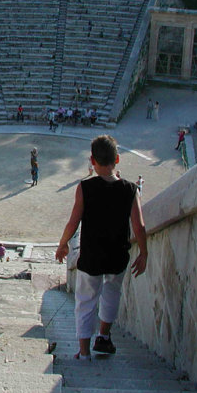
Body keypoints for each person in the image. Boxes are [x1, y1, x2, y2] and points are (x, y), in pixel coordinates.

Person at [55, 135, 148, 361]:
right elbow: (139, 225)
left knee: (85, 301)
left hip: (91, 256)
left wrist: (63, 244)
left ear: (92, 161)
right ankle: (103, 337)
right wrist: (144, 253)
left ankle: (84, 351)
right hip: (117, 256)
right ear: (117, 159)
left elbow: (73, 221)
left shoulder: (85, 188)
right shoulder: (130, 189)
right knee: (111, 294)